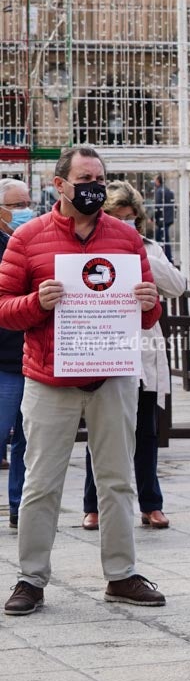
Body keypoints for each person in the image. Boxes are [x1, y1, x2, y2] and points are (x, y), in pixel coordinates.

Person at [1, 147, 166, 616]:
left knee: (117, 479)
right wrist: (37, 302)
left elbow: (149, 313)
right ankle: (30, 578)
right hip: (49, 378)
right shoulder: (27, 238)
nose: (94, 185)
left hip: (111, 374)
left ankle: (121, 574)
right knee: (40, 482)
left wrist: (148, 299)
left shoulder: (126, 238)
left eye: (100, 176)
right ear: (60, 185)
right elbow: (3, 307)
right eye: (85, 177)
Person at [82, 181, 187, 531]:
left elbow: (176, 286)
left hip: (142, 352)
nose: (124, 224)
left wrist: (137, 255)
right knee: (100, 432)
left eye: (130, 219)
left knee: (146, 432)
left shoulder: (150, 248)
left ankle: (151, 504)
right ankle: (92, 506)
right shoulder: (86, 250)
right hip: (103, 348)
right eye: (116, 217)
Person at [0, 178, 31, 529]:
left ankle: (18, 506)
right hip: (3, 363)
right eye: (16, 204)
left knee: (28, 440)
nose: (24, 210)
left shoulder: (22, 243)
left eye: (27, 202)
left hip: (27, 357)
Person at [152, 174, 174, 261]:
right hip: (168, 218)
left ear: (158, 181)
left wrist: (153, 217)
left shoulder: (159, 191)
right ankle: (168, 258)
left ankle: (164, 259)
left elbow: (158, 206)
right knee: (165, 239)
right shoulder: (168, 190)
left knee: (160, 240)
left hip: (162, 219)